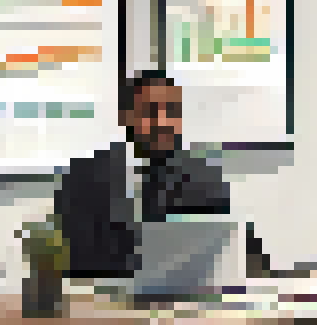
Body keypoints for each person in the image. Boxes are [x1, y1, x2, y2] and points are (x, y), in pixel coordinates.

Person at [54, 69, 235, 278]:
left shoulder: (206, 179)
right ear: (125, 117)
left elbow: (219, 254)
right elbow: (79, 262)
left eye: (171, 111)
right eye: (150, 112)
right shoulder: (83, 179)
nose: (163, 122)